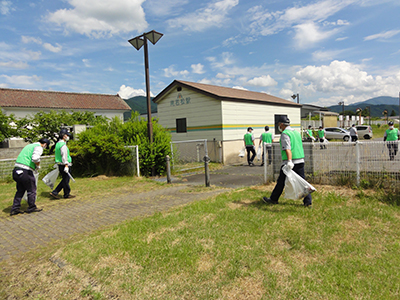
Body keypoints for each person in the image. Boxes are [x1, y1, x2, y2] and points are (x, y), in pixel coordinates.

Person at [262, 116, 312, 207]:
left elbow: (287, 148)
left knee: (281, 181)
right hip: (300, 159)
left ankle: (273, 199)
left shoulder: (285, 133)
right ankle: (308, 202)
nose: (278, 127)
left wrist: (289, 161)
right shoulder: (296, 132)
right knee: (302, 182)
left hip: (290, 162)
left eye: (278, 124)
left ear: (281, 124)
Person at [10, 138, 50, 216]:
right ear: (45, 144)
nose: (44, 148)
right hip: (25, 171)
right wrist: (38, 165)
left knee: (20, 190)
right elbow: (35, 158)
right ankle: (32, 207)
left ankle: (15, 208)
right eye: (45, 146)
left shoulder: (29, 146)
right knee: (31, 189)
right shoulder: (38, 147)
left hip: (16, 170)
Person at [50, 129, 76, 199]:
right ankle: (64, 194)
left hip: (60, 164)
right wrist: (66, 165)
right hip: (64, 164)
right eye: (67, 135)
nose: (68, 136)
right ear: (64, 136)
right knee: (65, 180)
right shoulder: (63, 145)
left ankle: (57, 192)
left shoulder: (58, 144)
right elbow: (64, 155)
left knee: (65, 179)